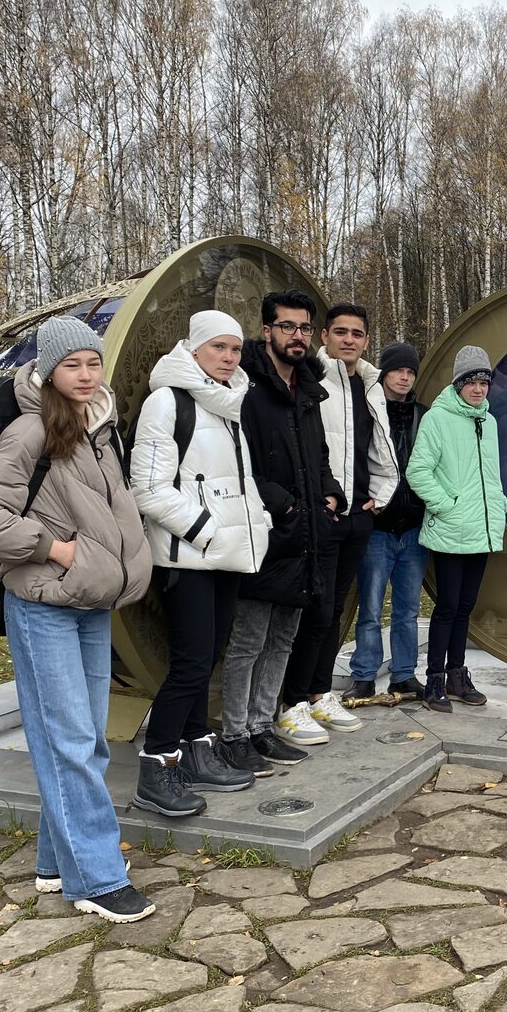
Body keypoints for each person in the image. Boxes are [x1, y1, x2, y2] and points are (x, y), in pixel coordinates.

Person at [0, 316, 154, 922]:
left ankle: (54, 860)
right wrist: (54, 548)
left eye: (93, 363)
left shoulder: (99, 428)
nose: (86, 375)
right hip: (44, 605)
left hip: (88, 604)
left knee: (79, 738)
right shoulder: (30, 431)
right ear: (48, 371)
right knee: (70, 739)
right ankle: (95, 877)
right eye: (73, 366)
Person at [129, 310, 271, 816]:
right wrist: (205, 531)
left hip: (226, 555)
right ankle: (155, 767)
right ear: (193, 350)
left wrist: (254, 526)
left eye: (235, 349)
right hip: (188, 558)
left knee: (208, 656)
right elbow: (147, 487)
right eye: (218, 348)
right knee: (190, 664)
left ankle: (195, 752)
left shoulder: (230, 404)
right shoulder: (166, 403)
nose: (229, 358)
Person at [220, 290, 345, 773]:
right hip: (265, 533)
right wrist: (288, 506)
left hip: (307, 533)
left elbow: (318, 456)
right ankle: (234, 735)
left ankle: (261, 727)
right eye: (288, 326)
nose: (298, 336)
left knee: (282, 640)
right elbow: (241, 460)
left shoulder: (309, 391)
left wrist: (329, 491)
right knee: (249, 641)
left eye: (305, 328)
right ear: (267, 330)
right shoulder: (248, 388)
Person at [277, 302, 397, 738]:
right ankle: (291, 703)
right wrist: (317, 502)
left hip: (357, 517)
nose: (349, 340)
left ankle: (318, 692)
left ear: (366, 341)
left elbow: (378, 447)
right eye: (341, 332)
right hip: (321, 516)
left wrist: (379, 497)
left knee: (334, 612)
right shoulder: (310, 378)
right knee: (315, 610)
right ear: (324, 336)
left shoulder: (369, 383)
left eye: (358, 334)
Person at [406, 345, 507, 712]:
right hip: (450, 530)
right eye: (472, 382)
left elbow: (490, 475)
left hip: (480, 529)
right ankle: (434, 681)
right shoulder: (438, 418)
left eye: (484, 382)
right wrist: (446, 504)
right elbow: (418, 471)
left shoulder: (489, 421)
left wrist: (497, 504)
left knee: (465, 606)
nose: (479, 389)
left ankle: (457, 675)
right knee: (447, 607)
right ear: (459, 383)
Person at [348, 342, 427, 701]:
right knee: (370, 607)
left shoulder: (423, 417)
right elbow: (354, 459)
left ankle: (404, 674)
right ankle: (363, 675)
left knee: (408, 609)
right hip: (378, 527)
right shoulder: (366, 412)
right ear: (385, 373)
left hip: (413, 526)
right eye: (398, 370)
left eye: (410, 372)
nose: (404, 377)